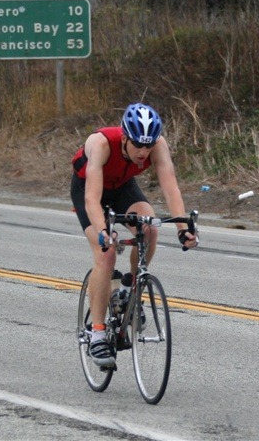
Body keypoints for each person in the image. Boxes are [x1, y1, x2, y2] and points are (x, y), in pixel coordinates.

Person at [70, 102, 198, 367]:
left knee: (149, 228)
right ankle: (97, 333)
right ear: (125, 137)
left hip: (122, 187)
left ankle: (128, 290)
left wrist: (183, 229)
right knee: (105, 256)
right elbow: (92, 199)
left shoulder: (156, 145)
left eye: (148, 146)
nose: (143, 152)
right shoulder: (101, 144)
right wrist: (104, 233)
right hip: (89, 190)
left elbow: (170, 187)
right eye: (137, 145)